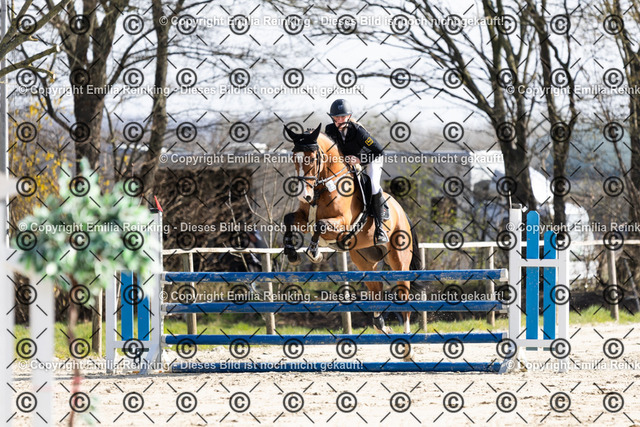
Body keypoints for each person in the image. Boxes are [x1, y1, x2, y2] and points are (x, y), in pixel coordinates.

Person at [324, 99, 389, 246]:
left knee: (373, 185)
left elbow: (379, 151)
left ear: (349, 116)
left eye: (343, 117)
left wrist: (360, 160)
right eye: (336, 117)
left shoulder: (358, 131)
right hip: (347, 162)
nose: (339, 120)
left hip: (370, 158)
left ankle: (380, 229)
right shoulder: (329, 130)